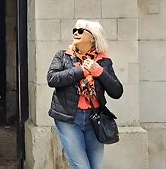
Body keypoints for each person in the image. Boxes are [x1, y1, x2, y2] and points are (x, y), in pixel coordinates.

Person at [47, 19, 123, 169]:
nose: (76, 33)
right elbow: (52, 78)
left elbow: (117, 91)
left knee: (96, 166)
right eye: (74, 30)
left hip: (94, 119)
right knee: (82, 167)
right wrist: (81, 70)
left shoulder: (103, 61)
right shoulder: (63, 56)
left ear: (93, 37)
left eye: (81, 30)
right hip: (68, 119)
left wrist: (98, 71)